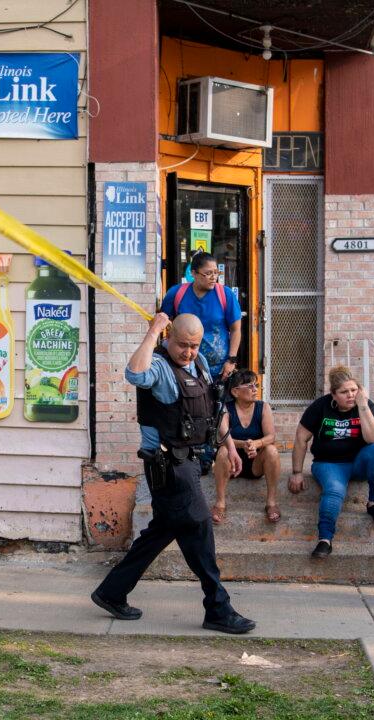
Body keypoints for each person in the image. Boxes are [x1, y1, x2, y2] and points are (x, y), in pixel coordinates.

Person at [90, 312, 255, 634]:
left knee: (161, 532)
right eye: (183, 345)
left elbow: (212, 411)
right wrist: (152, 329)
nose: (189, 352)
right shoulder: (160, 367)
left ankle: (111, 591)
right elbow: (134, 373)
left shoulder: (200, 365)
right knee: (200, 527)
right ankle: (218, 608)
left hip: (190, 461)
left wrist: (230, 446)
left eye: (194, 346)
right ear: (169, 337)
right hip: (167, 466)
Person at [290, 366, 374, 559]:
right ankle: (325, 539)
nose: (350, 395)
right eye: (344, 392)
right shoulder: (320, 406)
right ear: (334, 395)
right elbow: (301, 439)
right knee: (335, 490)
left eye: (354, 390)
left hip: (358, 463)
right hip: (329, 464)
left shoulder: (365, 405)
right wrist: (297, 471)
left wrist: (362, 405)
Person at [211, 370, 281, 525]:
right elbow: (220, 439)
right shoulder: (226, 409)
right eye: (250, 386)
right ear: (235, 391)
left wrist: (256, 444)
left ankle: (271, 503)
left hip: (255, 463)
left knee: (272, 450)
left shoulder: (263, 407)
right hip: (231, 464)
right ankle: (220, 503)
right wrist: (244, 444)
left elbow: (271, 436)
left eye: (256, 385)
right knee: (223, 451)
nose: (255, 389)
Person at [160, 252, 242, 380]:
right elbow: (163, 323)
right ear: (193, 273)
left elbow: (236, 329)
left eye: (216, 273)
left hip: (218, 370)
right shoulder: (176, 293)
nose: (213, 277)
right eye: (208, 273)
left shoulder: (225, 295)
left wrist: (231, 360)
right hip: (184, 366)